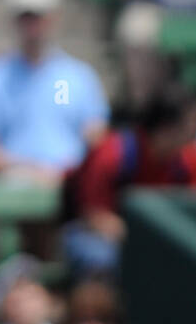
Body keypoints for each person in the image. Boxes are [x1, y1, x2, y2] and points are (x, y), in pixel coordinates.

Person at [0, 0, 109, 182]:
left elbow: (97, 141)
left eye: (39, 16)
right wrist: (28, 169)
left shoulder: (80, 77)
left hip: (71, 187)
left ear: (55, 18)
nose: (32, 25)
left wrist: (67, 174)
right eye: (26, 17)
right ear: (12, 20)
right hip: (12, 189)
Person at [64, 83, 196, 273]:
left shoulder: (187, 160)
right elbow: (94, 217)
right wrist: (151, 236)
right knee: (100, 257)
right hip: (100, 237)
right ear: (167, 127)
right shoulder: (113, 153)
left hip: (157, 239)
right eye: (191, 124)